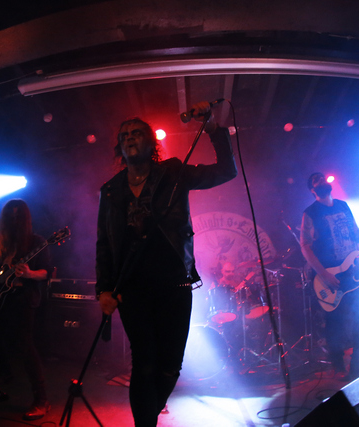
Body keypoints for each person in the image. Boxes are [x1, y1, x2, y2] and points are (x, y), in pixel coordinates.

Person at [95, 101, 237, 426]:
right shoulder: (111, 191)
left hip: (174, 283)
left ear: (151, 143)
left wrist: (213, 129)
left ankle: (148, 415)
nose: (129, 137)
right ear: (120, 147)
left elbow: (226, 170)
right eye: (124, 135)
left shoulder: (173, 173)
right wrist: (103, 288)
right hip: (132, 288)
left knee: (171, 365)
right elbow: (104, 243)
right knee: (144, 361)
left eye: (136, 132)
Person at [0, 199, 51, 421]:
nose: (14, 220)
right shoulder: (0, 242)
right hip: (0, 299)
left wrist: (29, 274)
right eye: (10, 215)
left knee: (25, 345)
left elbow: (46, 272)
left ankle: (41, 399)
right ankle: (5, 373)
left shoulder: (37, 242)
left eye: (18, 216)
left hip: (23, 300)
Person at [299, 172, 359, 380]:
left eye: (322, 177)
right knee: (335, 322)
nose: (322, 180)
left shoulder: (343, 206)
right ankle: (338, 365)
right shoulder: (310, 213)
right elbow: (305, 246)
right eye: (316, 180)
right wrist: (323, 274)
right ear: (312, 190)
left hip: (352, 270)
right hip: (330, 275)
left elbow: (355, 233)